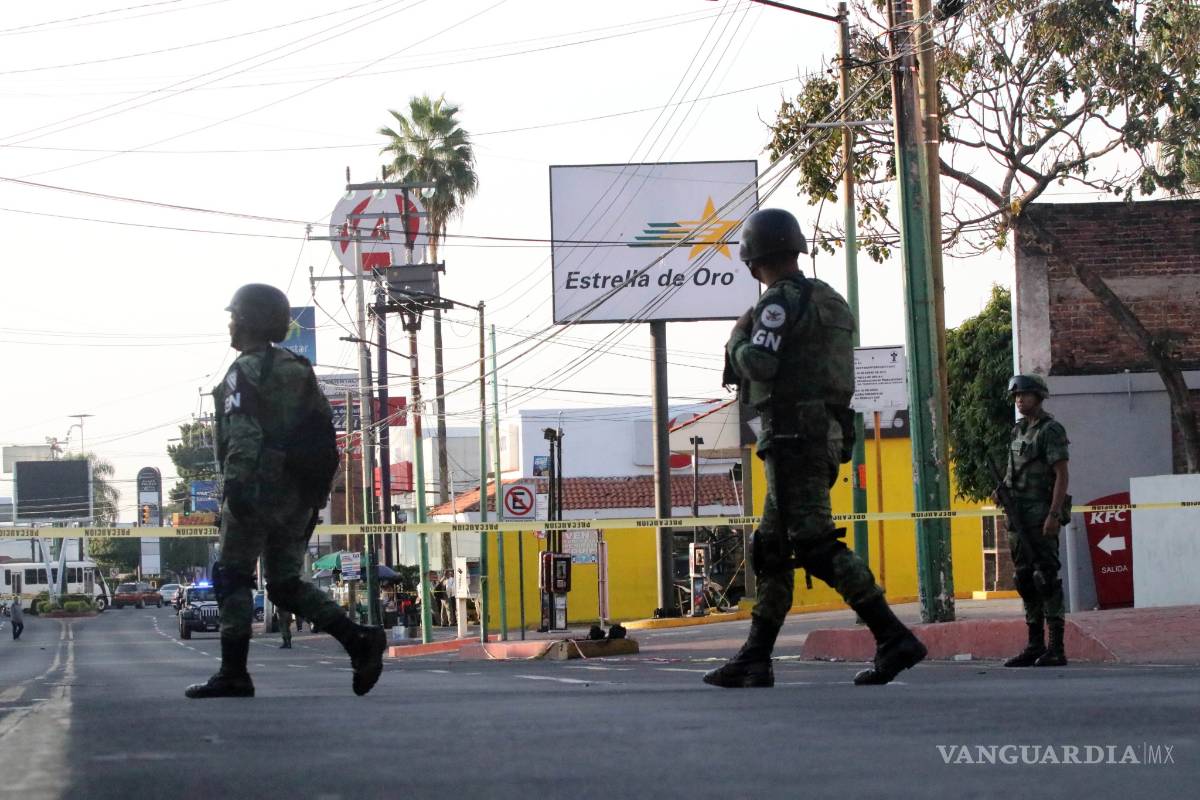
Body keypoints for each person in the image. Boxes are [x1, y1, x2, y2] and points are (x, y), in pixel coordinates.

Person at [704, 208, 926, 689]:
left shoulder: (777, 304)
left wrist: (736, 341)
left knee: (813, 543)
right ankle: (756, 656)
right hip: (823, 432)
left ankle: (893, 635)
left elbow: (760, 364)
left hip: (792, 435)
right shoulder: (830, 299)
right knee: (772, 548)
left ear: (753, 258)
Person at [185, 284, 386, 699]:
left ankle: (233, 672)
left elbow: (243, 432)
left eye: (235, 315)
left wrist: (237, 486)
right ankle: (357, 639)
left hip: (257, 488)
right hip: (299, 493)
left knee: (233, 577)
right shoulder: (299, 368)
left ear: (250, 320)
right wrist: (314, 495)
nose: (230, 323)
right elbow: (323, 430)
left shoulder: (245, 371)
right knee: (284, 584)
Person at [998, 374, 1071, 667]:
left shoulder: (1050, 430)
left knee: (1046, 577)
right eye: (1016, 396)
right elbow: (1012, 470)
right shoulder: (1017, 431)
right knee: (1024, 578)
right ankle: (1034, 643)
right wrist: (1002, 488)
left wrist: (1053, 514)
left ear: (1039, 397)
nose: (1019, 400)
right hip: (1017, 514)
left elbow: (1062, 475)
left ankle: (1056, 647)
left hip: (1040, 512)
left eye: (1025, 395)